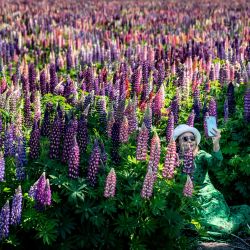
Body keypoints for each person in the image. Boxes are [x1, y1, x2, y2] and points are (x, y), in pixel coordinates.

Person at [173, 124, 250, 238]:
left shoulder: (201, 155)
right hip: (188, 203)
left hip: (209, 201)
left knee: (224, 229)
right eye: (185, 138)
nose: (189, 141)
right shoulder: (173, 159)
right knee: (187, 226)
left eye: (192, 138)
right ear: (178, 142)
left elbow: (216, 163)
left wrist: (216, 143)